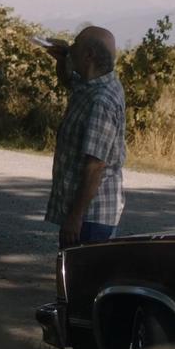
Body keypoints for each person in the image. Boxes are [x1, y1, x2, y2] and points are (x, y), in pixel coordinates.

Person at [43, 26, 126, 249]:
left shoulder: (101, 101)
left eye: (76, 45)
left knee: (80, 280)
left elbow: (95, 166)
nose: (71, 48)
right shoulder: (96, 82)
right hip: (88, 215)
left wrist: (75, 217)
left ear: (88, 55)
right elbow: (69, 82)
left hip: (90, 218)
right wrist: (62, 61)